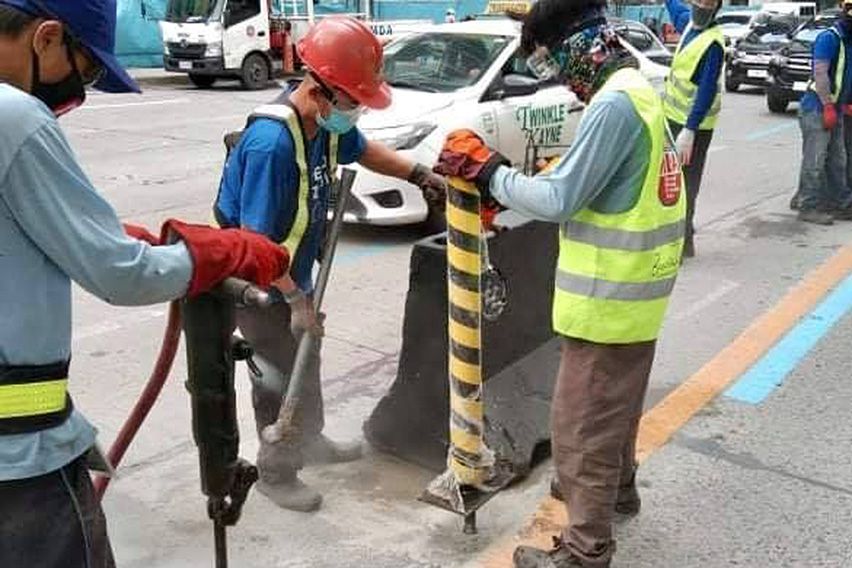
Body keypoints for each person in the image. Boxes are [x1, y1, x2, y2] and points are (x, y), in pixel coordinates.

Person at [0, 1, 292, 567]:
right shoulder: (14, 117)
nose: (78, 94)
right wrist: (222, 251)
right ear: (47, 38)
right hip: (18, 469)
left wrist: (95, 233)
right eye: (84, 72)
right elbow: (122, 274)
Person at [433, 0, 686, 565]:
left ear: (580, 45)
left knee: (580, 431)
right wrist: (530, 178)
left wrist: (489, 172)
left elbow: (558, 200)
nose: (566, 86)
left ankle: (584, 549)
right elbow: (594, 184)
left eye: (556, 67)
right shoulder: (637, 91)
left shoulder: (614, 107)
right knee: (613, 413)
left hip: (608, 303)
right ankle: (617, 493)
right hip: (635, 299)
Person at [214, 16, 447, 513]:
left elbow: (364, 150)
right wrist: (295, 299)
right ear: (320, 91)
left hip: (294, 275)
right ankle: (277, 472)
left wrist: (419, 171)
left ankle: (310, 441)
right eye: (352, 101)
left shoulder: (320, 126)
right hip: (258, 286)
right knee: (277, 375)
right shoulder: (273, 145)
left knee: (306, 355)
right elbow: (256, 243)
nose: (356, 111)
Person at [663, 0, 723, 256]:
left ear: (716, 8)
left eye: (707, 3)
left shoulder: (713, 44)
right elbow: (673, 5)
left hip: (694, 127)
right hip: (672, 119)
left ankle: (684, 242)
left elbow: (706, 91)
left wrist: (690, 130)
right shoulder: (688, 23)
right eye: (698, 0)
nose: (701, 5)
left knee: (686, 184)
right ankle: (676, 233)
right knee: (669, 180)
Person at [792, 0, 852, 225]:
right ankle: (808, 206)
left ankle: (841, 203)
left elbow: (845, 74)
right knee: (815, 160)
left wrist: (845, 103)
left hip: (835, 108)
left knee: (838, 160)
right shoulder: (829, 38)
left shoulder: (848, 40)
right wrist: (827, 105)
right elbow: (821, 74)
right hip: (817, 108)